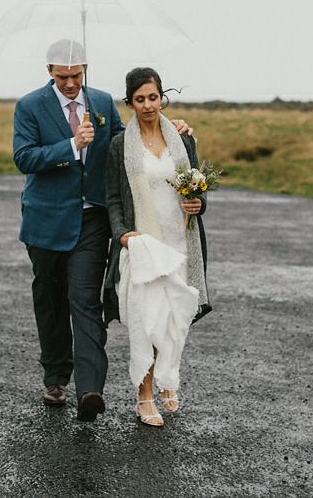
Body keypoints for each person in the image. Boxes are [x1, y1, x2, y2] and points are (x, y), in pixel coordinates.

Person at [13, 42, 191, 422]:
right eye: (63, 77)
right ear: (50, 72)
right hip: (45, 222)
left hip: (91, 221)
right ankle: (56, 376)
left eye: (77, 75)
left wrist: (169, 128)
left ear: (85, 69)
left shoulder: (102, 103)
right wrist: (71, 145)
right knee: (51, 302)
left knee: (85, 302)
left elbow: (127, 146)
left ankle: (90, 391)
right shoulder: (29, 106)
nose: (71, 83)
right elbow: (24, 157)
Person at [104, 67, 212, 427]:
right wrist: (122, 234)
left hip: (180, 239)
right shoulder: (120, 145)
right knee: (147, 321)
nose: (148, 105)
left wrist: (199, 203)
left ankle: (168, 378)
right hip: (145, 243)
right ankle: (145, 394)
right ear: (130, 103)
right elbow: (113, 198)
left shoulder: (182, 138)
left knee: (175, 317)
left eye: (153, 97)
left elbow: (197, 188)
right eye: (140, 99)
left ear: (162, 97)